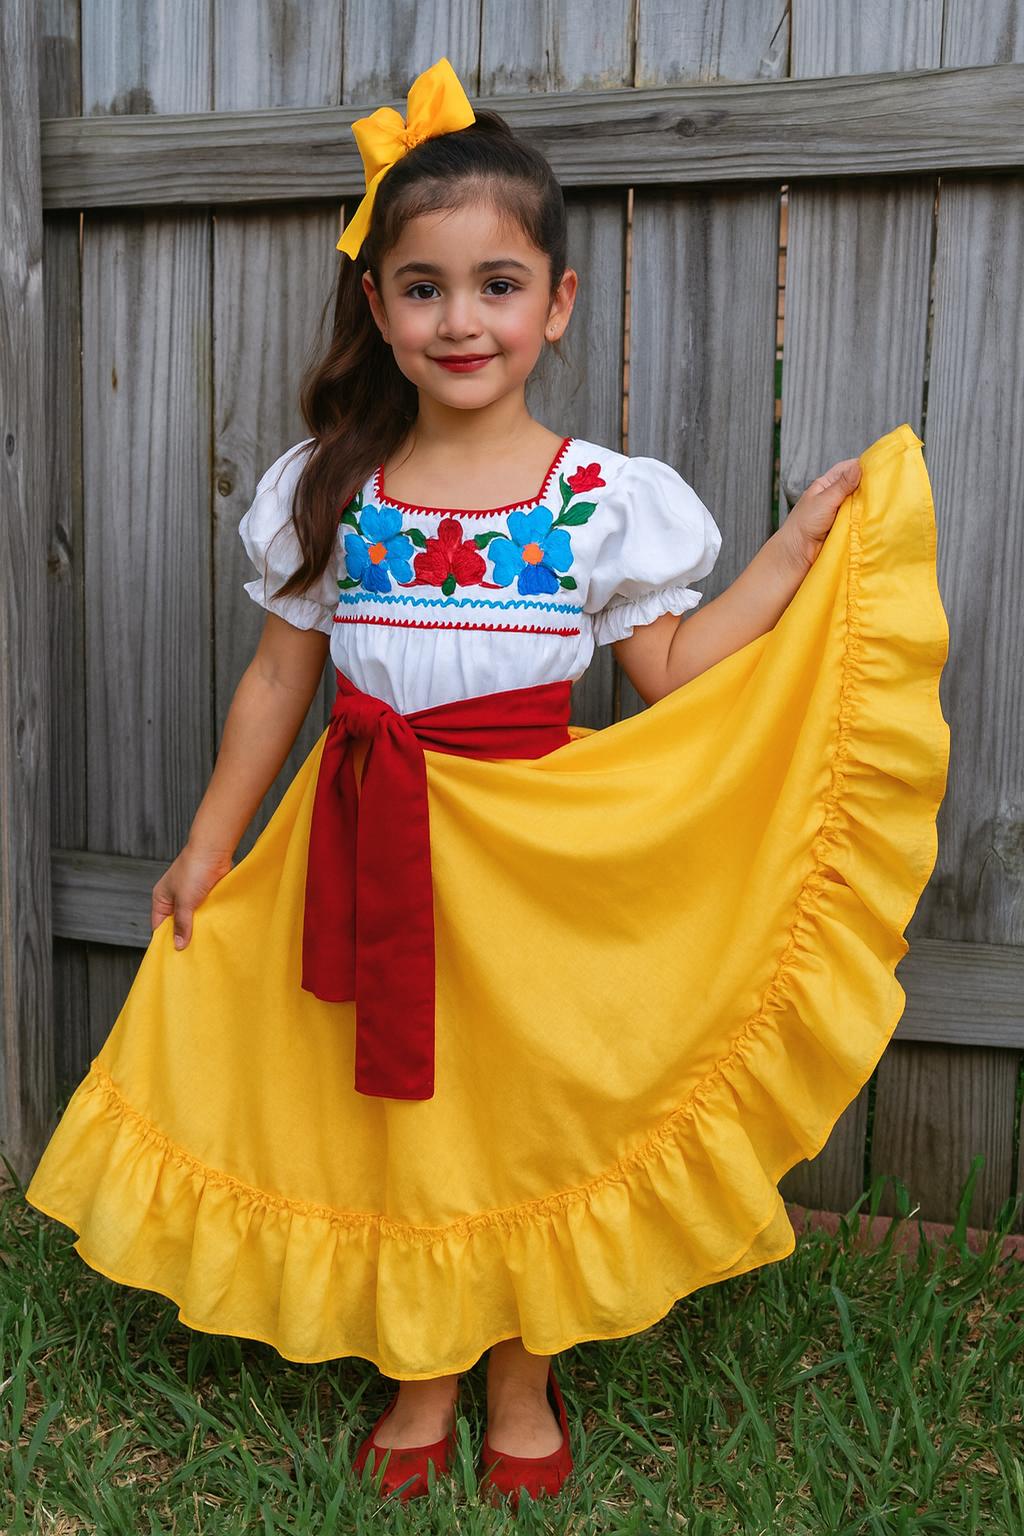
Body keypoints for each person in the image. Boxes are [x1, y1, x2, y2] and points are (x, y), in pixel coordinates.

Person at [24, 58, 949, 1512]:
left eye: (498, 286)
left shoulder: (598, 501)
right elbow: (276, 685)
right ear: (379, 306)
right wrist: (210, 843)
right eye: (425, 289)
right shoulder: (334, 487)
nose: (462, 320)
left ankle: (521, 1380)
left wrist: (793, 554)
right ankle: (422, 1371)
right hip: (358, 840)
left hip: (533, 860)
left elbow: (674, 670)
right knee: (393, 1111)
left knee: (523, 1111)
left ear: (556, 303)